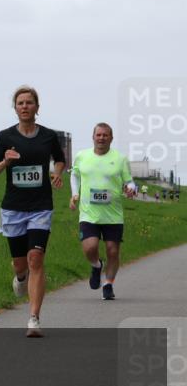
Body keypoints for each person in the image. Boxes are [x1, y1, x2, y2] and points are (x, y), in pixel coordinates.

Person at [0, 85, 66, 337]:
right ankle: (21, 278)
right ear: (15, 108)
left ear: (37, 107)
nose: (24, 106)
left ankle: (34, 318)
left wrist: (57, 172)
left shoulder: (48, 136)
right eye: (20, 103)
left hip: (40, 207)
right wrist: (6, 162)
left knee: (36, 259)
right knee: (21, 264)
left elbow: (60, 159)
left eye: (29, 102)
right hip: (13, 208)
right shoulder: (4, 137)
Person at [70, 123, 137, 300]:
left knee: (112, 251)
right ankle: (96, 265)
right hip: (88, 213)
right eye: (98, 135)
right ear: (93, 137)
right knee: (90, 247)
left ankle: (108, 284)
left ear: (111, 138)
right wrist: (74, 194)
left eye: (105, 135)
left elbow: (129, 181)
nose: (101, 138)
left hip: (113, 214)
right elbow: (74, 175)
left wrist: (131, 189)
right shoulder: (82, 156)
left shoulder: (120, 159)